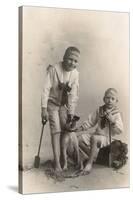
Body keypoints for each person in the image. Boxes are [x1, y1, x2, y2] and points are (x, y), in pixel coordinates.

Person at [41, 46, 80, 171]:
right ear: (63, 58)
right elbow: (46, 89)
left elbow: (73, 95)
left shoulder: (75, 74)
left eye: (75, 61)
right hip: (52, 103)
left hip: (64, 105)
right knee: (56, 130)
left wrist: (71, 113)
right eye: (70, 59)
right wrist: (43, 109)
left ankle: (65, 158)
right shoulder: (54, 69)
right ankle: (57, 162)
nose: (72, 63)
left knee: (66, 129)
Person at [75, 88, 123, 174]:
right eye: (108, 98)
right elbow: (90, 122)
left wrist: (112, 121)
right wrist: (80, 128)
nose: (110, 101)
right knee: (78, 139)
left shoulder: (116, 114)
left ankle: (89, 164)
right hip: (97, 134)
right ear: (104, 99)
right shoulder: (100, 110)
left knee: (94, 138)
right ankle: (93, 157)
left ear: (116, 101)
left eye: (113, 99)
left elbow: (119, 130)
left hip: (107, 138)